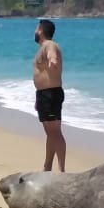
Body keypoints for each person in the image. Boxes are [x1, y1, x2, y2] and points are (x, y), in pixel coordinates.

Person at [33, 18, 66, 172]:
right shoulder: (42, 48)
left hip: (50, 94)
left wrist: (53, 61)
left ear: (40, 30)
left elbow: (53, 56)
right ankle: (47, 167)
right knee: (50, 133)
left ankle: (61, 170)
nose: (34, 31)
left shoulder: (49, 45)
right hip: (44, 94)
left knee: (55, 132)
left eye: (36, 28)